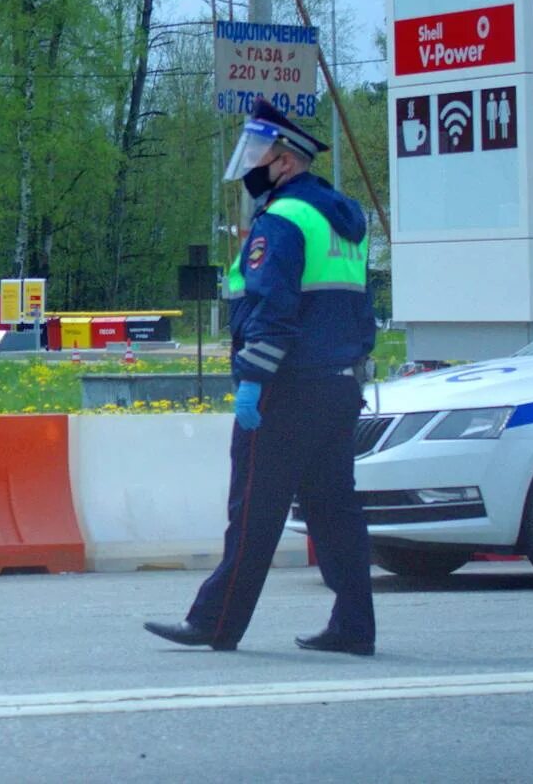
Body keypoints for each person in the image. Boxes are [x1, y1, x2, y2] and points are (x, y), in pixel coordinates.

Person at [144, 101, 378, 655]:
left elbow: (272, 310)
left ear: (286, 162)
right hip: (339, 384)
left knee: (252, 509)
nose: (251, 167)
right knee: (334, 511)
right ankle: (354, 627)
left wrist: (252, 380)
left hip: (286, 389)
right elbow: (358, 309)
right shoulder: (344, 219)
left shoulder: (281, 222)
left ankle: (215, 622)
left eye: (258, 156)